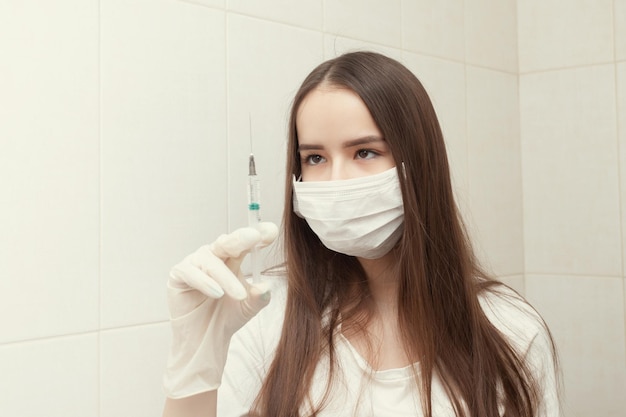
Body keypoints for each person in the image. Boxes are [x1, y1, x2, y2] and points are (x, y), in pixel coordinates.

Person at [161, 51, 560, 417]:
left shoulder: (510, 328)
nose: (336, 181)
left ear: (417, 163)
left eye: (365, 152)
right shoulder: (269, 317)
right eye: (314, 158)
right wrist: (194, 368)